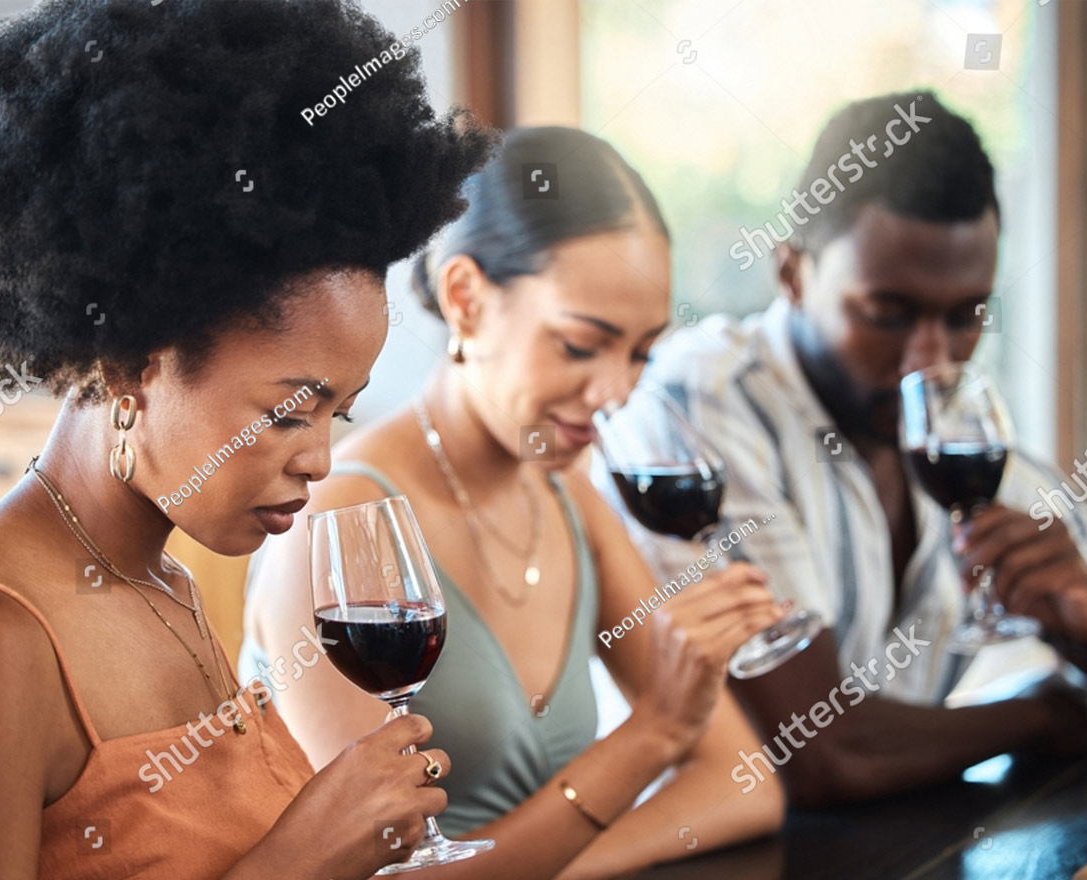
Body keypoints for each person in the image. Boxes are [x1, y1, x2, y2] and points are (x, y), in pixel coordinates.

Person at [0, 0, 495, 876]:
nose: (319, 459)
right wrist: (303, 859)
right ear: (132, 361)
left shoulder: (167, 582)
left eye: (338, 413)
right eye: (287, 411)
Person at [592, 90, 1087, 809]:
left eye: (967, 316)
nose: (930, 360)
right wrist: (1048, 713)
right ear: (792, 273)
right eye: (887, 313)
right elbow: (823, 754)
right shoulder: (707, 410)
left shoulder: (961, 438)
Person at [244, 126, 786, 880]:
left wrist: (548, 863)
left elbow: (744, 784)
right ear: (466, 299)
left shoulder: (566, 493)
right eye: (579, 345)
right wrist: (653, 736)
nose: (616, 394)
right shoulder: (340, 520)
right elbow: (395, 873)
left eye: (640, 353)